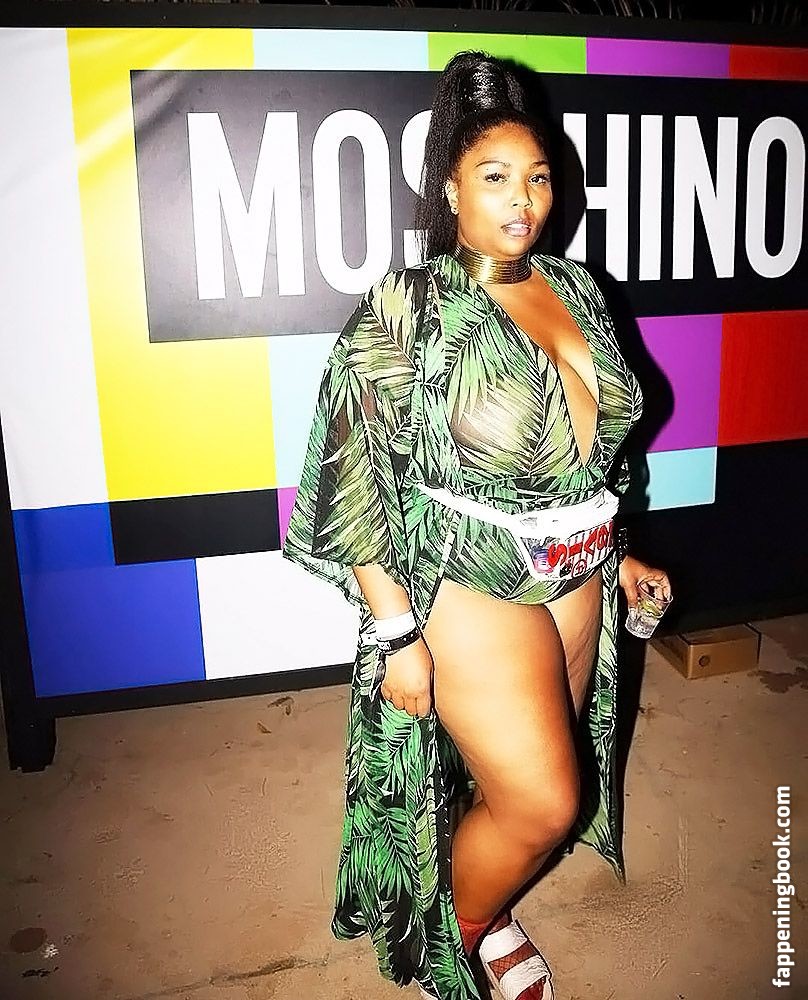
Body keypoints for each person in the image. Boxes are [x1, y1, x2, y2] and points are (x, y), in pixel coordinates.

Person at [282, 51, 671, 1000]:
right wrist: (396, 633)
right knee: (544, 803)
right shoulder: (408, 306)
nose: (522, 199)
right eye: (495, 177)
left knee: (515, 785)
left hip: (579, 575)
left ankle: (487, 911)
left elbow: (595, 454)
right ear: (452, 189)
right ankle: (448, 943)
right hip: (468, 578)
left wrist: (619, 555)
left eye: (537, 177)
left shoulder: (577, 288)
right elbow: (352, 473)